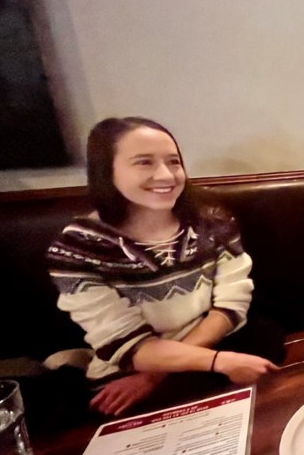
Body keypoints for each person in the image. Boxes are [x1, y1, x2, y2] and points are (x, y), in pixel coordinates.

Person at [46, 117, 284, 417]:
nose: (166, 175)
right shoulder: (78, 248)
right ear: (107, 171)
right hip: (133, 371)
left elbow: (230, 306)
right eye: (144, 162)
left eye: (173, 162)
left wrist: (154, 376)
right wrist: (217, 362)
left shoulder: (214, 223)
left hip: (214, 349)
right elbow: (129, 347)